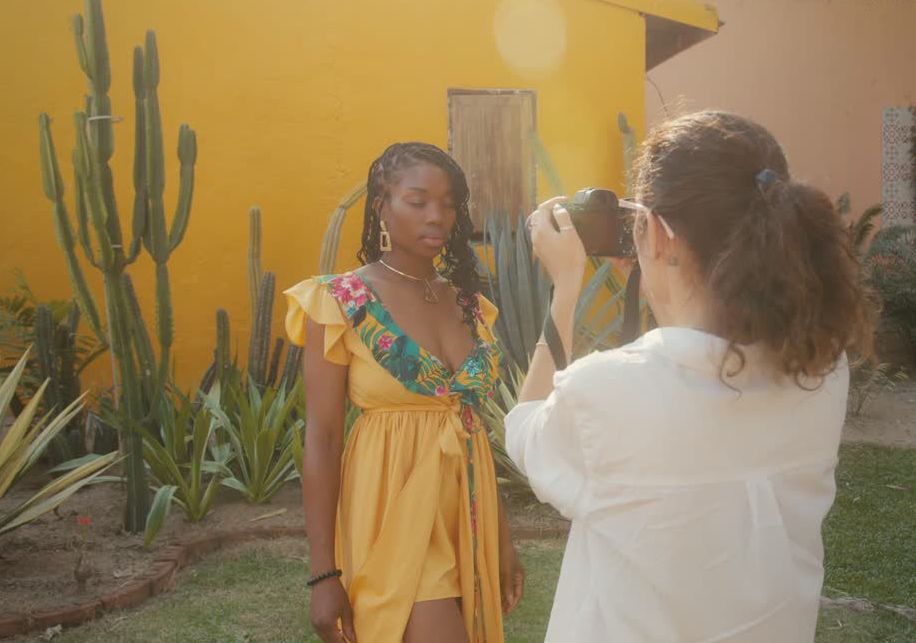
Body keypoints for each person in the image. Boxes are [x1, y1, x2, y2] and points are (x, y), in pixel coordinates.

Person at [505, 111, 875, 642]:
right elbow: (701, 358)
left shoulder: (606, 393)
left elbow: (523, 431)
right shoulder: (821, 369)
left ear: (654, 232)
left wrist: (565, 289)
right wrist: (668, 282)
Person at [287, 142, 524, 643]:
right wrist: (323, 574)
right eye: (418, 202)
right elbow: (324, 439)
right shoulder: (340, 300)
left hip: (468, 511)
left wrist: (502, 540)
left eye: (447, 204)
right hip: (393, 510)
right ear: (382, 207)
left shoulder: (471, 307)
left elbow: (470, 424)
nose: (436, 216)